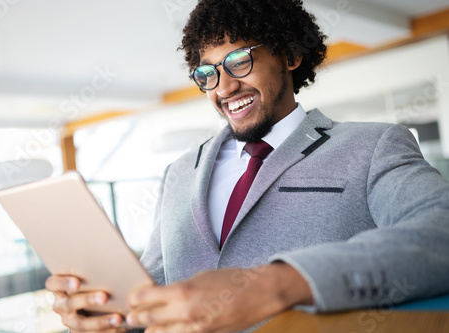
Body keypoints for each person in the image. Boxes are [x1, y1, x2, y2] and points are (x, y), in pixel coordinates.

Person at [46, 0, 449, 332]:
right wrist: (107, 311)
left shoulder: (373, 146)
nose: (223, 87)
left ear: (290, 55)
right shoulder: (179, 172)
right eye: (208, 73)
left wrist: (276, 285)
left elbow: (440, 235)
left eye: (240, 61)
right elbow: (157, 286)